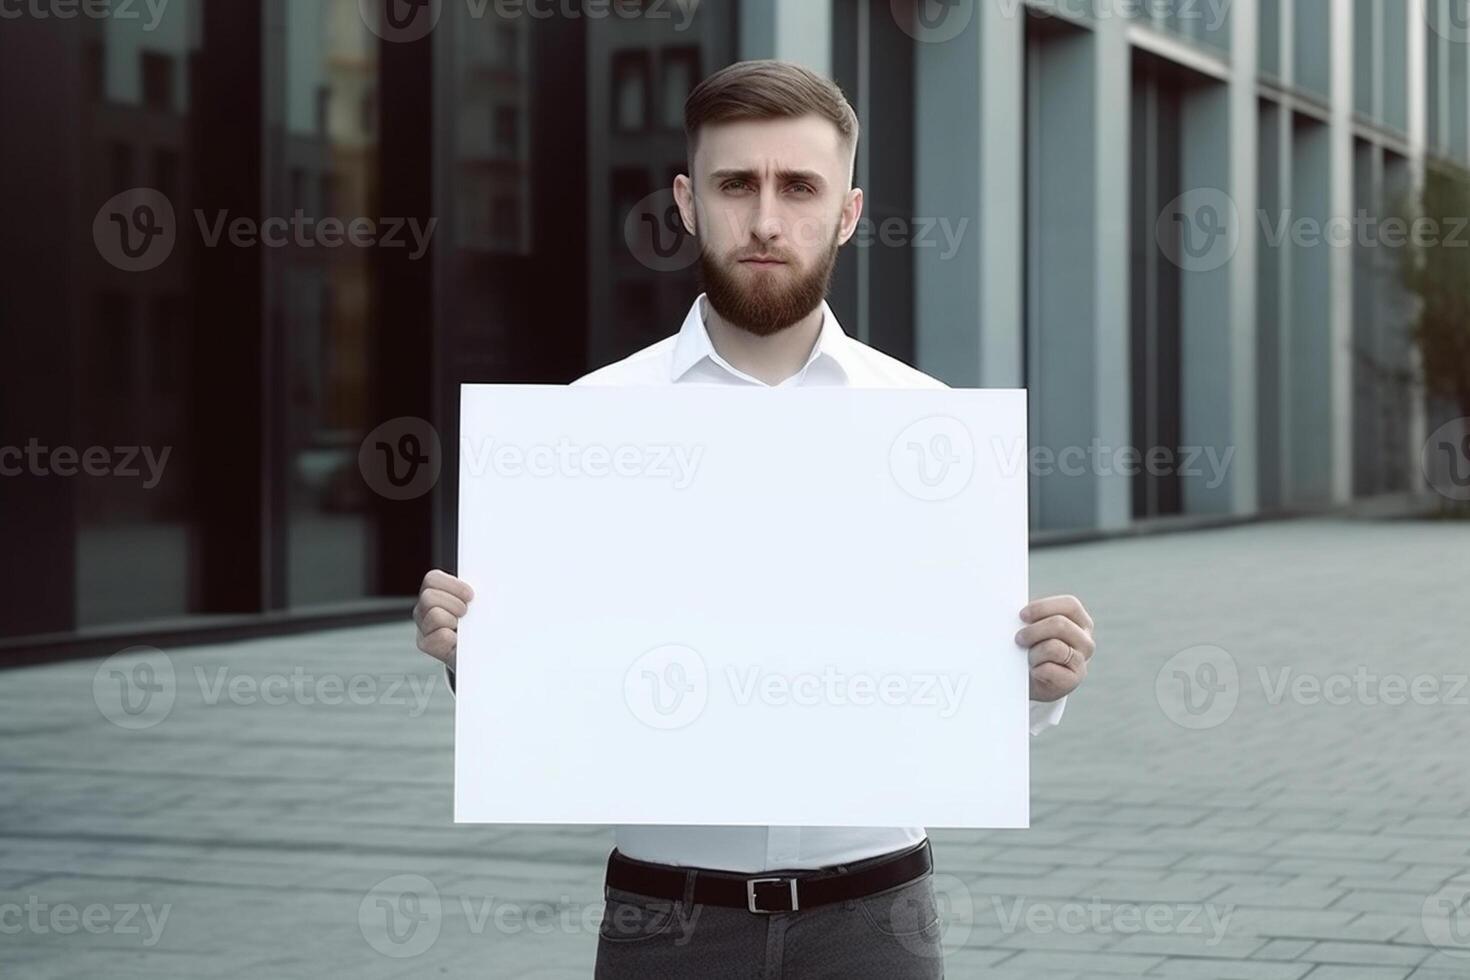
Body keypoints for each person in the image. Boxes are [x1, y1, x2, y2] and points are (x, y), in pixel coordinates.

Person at [414, 59, 1096, 979]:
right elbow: (559, 695)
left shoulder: (931, 428)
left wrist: (1037, 684)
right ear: (689, 203)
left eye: (800, 187)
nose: (768, 220)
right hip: (667, 917)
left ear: (848, 213)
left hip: (875, 919)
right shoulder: (588, 424)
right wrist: (479, 661)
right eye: (738, 184)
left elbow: (953, 700)